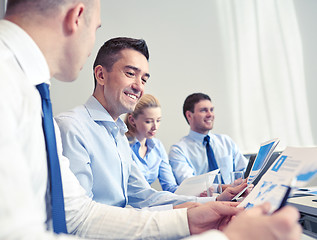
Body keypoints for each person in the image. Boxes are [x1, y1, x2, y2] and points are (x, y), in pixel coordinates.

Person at [0, 0, 302, 239]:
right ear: (78, 16)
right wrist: (226, 238)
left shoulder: (33, 94)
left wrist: (195, 219)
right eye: (96, 28)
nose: (139, 85)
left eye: (144, 77)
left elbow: (80, 213)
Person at [56, 37, 248, 210]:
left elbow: (146, 197)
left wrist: (214, 202)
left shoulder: (118, 136)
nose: (139, 86)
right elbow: (80, 217)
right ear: (101, 75)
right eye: (131, 73)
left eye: (144, 79)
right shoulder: (72, 127)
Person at [169, 93, 249, 187]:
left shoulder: (226, 141)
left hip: (237, 198)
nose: (210, 114)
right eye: (203, 110)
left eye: (211, 110)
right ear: (189, 115)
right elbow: (190, 185)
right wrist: (227, 188)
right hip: (204, 201)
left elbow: (245, 171)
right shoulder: (178, 150)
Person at [125, 94, 178, 193]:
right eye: (149, 121)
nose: (155, 127)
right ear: (132, 120)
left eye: (158, 120)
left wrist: (195, 193)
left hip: (148, 203)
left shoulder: (157, 146)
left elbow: (170, 186)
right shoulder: (122, 145)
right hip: (126, 206)